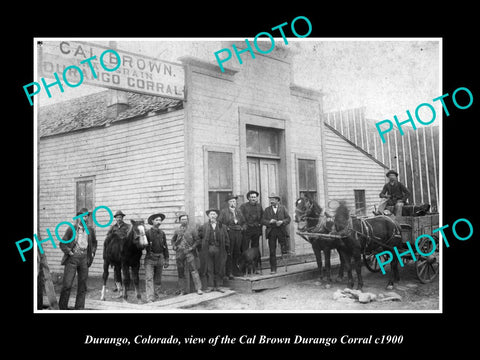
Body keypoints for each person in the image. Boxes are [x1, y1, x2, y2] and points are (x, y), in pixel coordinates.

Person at [59, 208, 97, 310]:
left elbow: (94, 243)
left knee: (82, 285)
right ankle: (62, 308)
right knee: (67, 284)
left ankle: (79, 308)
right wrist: (69, 251)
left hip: (84, 259)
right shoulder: (72, 229)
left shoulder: (90, 230)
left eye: (86, 216)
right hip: (73, 258)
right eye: (82, 216)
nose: (84, 218)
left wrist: (92, 253)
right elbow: (62, 243)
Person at [172, 212, 203, 295]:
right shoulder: (177, 230)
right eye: (182, 219)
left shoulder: (192, 229)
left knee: (194, 270)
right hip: (179, 253)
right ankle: (182, 290)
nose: (184, 221)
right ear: (179, 220)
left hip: (189, 252)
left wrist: (192, 248)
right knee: (180, 272)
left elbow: (197, 240)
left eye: (185, 219)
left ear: (187, 220)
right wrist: (174, 247)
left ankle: (198, 289)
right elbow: (173, 240)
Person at [198, 209, 230, 292]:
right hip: (208, 249)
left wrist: (226, 249)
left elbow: (226, 239)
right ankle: (210, 286)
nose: (212, 216)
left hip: (219, 248)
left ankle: (218, 286)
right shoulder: (204, 226)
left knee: (218, 267)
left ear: (217, 216)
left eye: (214, 214)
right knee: (209, 268)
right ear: (208, 216)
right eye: (211, 214)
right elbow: (199, 238)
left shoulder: (222, 226)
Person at [143, 212, 169, 303]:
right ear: (152, 221)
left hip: (160, 258)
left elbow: (165, 246)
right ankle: (150, 298)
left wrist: (167, 259)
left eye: (160, 220)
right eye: (157, 220)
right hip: (150, 259)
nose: (159, 222)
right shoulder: (147, 233)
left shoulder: (162, 233)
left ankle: (156, 296)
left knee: (158, 279)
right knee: (149, 278)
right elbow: (142, 245)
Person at [218, 195, 246, 278]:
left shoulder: (239, 211)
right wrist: (226, 228)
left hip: (238, 233)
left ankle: (236, 270)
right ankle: (229, 272)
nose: (232, 203)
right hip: (229, 233)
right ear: (228, 203)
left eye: (234, 201)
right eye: (231, 201)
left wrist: (242, 228)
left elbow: (244, 222)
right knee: (229, 252)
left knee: (237, 252)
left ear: (236, 202)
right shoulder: (224, 212)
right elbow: (219, 223)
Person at [262, 193, 291, 274]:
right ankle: (273, 269)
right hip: (271, 232)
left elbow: (288, 219)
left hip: (281, 231)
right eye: (270, 199)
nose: (271, 201)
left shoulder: (283, 208)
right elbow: (262, 221)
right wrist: (269, 222)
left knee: (284, 249)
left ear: (278, 200)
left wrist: (282, 222)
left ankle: (285, 268)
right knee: (272, 251)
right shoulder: (267, 210)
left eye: (273, 199)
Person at [103, 210, 130, 293]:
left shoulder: (127, 226)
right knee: (116, 269)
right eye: (117, 217)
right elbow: (108, 237)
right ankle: (117, 285)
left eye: (120, 217)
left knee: (125, 268)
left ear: (122, 218)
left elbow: (129, 237)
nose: (119, 219)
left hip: (124, 251)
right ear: (115, 218)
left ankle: (126, 286)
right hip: (115, 252)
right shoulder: (113, 227)